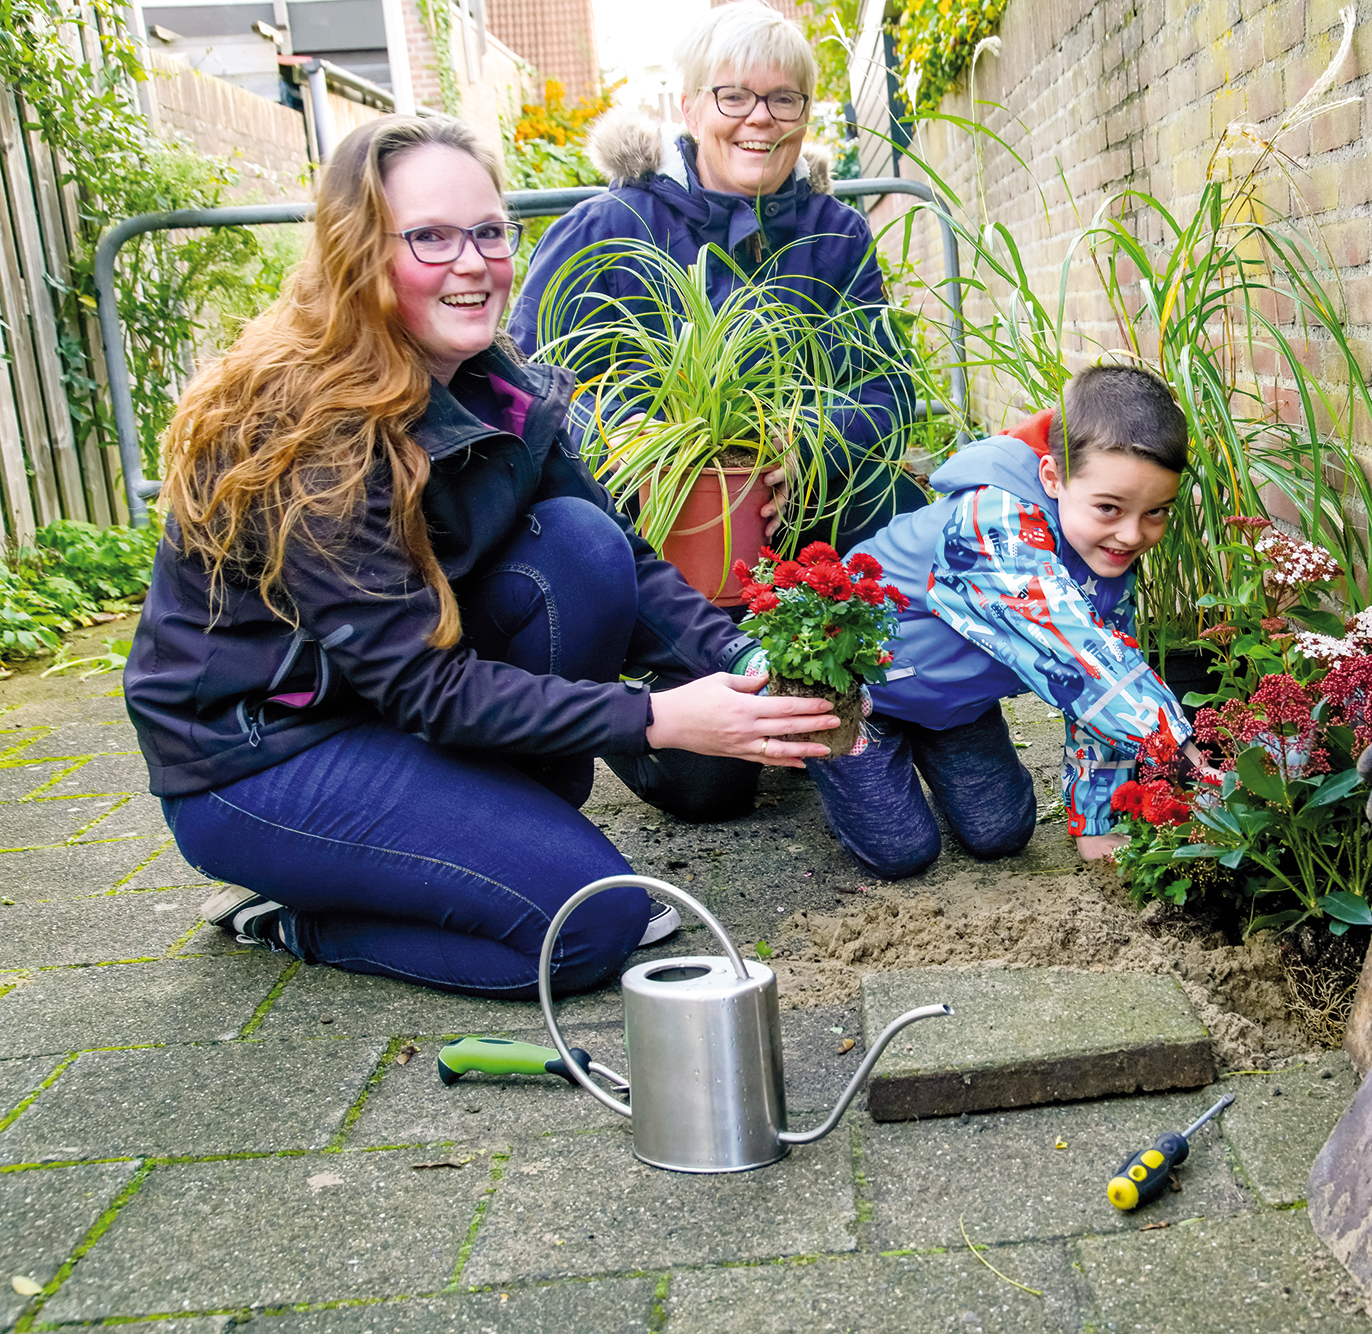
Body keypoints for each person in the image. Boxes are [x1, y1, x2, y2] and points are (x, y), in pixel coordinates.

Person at [122, 115, 842, 1001]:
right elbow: (427, 689)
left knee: (580, 546)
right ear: (358, 252)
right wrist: (660, 722)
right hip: (265, 758)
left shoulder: (491, 378)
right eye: (429, 236)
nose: (473, 262)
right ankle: (297, 917)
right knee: (593, 930)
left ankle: (485, 842)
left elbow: (627, 557)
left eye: (490, 232)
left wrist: (749, 657)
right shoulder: (309, 433)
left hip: (389, 705)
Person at [509, 0, 925, 826]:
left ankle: (879, 697)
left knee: (904, 502)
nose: (760, 120)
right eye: (733, 97)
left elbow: (890, 393)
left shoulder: (834, 234)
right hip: (656, 548)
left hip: (798, 531)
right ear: (688, 106)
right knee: (711, 792)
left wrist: (807, 445)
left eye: (785, 100)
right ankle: (630, 697)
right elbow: (521, 388)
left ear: (808, 116)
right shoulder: (611, 226)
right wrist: (638, 455)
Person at [808, 365, 1207, 879]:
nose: (1132, 536)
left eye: (1156, 512)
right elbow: (1075, 656)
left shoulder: (1104, 550)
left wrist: (1097, 823)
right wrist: (1178, 751)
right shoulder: (991, 523)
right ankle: (834, 755)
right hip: (858, 689)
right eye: (1110, 508)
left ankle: (928, 744)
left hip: (952, 703)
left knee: (1002, 831)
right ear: (1052, 478)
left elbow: (1106, 677)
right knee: (903, 851)